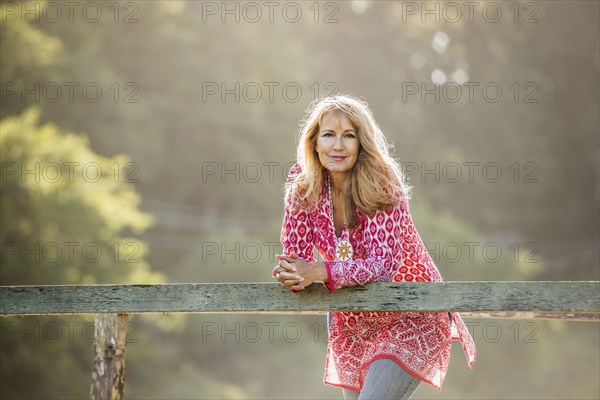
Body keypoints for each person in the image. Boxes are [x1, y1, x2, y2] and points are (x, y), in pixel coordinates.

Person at [272, 94, 476, 399]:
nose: (337, 146)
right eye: (328, 135)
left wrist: (318, 270)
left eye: (348, 136)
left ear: (361, 143)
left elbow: (382, 265)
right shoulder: (302, 183)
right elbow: (298, 259)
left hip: (410, 313)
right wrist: (293, 274)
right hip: (351, 319)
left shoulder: (380, 180)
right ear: (314, 142)